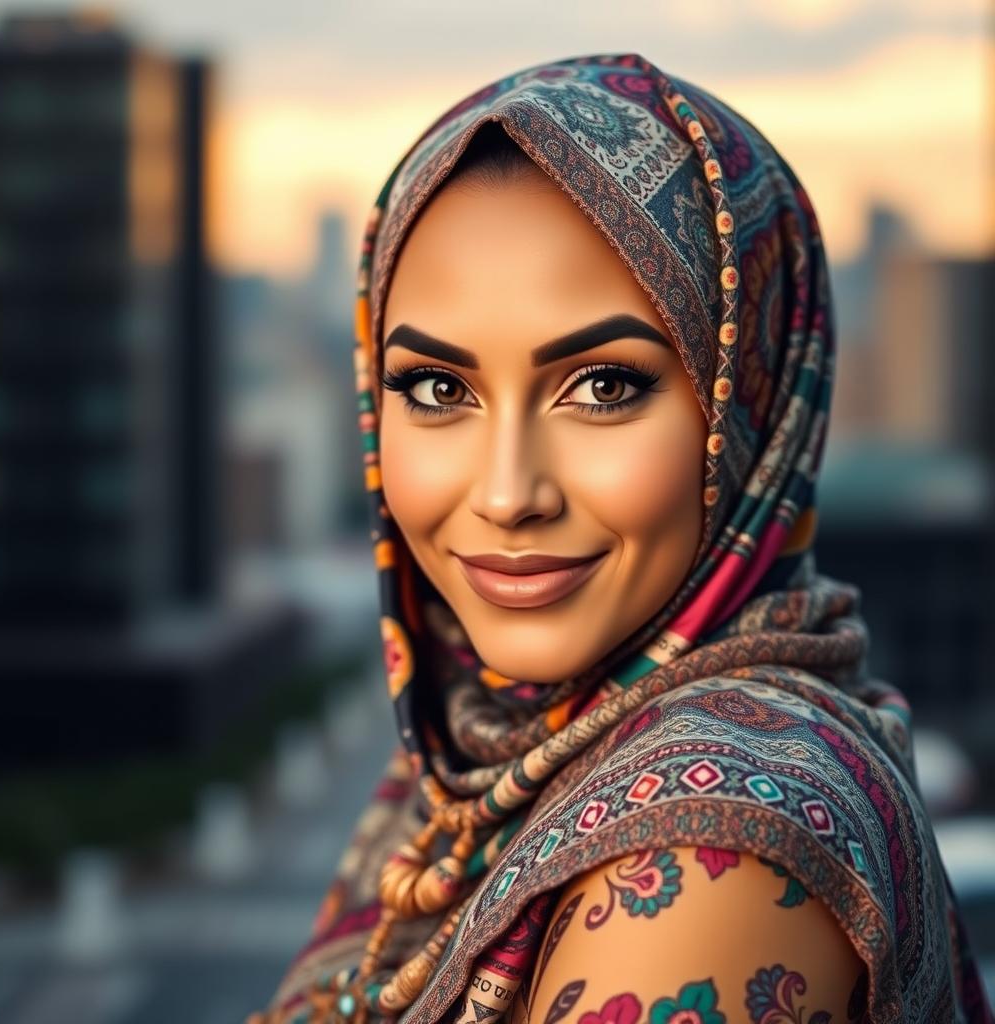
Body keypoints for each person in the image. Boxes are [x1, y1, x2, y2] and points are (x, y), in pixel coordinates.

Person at [246, 53, 993, 1024]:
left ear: (750, 406)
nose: (509, 493)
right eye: (438, 389)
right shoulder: (478, 753)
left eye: (603, 386)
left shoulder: (712, 858)